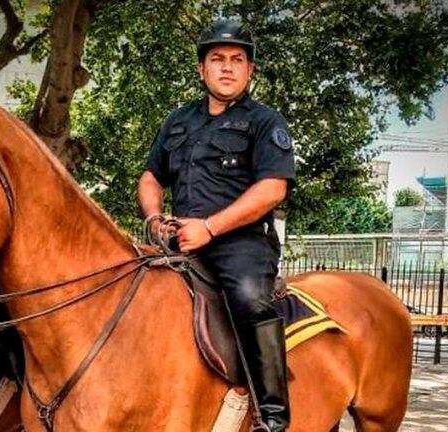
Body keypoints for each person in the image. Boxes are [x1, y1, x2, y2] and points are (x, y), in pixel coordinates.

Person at [137, 19, 295, 432]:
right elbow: (152, 177)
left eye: (237, 60)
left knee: (248, 301)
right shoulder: (177, 120)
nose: (227, 68)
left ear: (250, 70)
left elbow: (272, 189)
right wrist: (154, 217)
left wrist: (209, 227)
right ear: (201, 69)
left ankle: (272, 417)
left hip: (241, 244)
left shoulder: (265, 121)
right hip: (179, 240)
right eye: (217, 59)